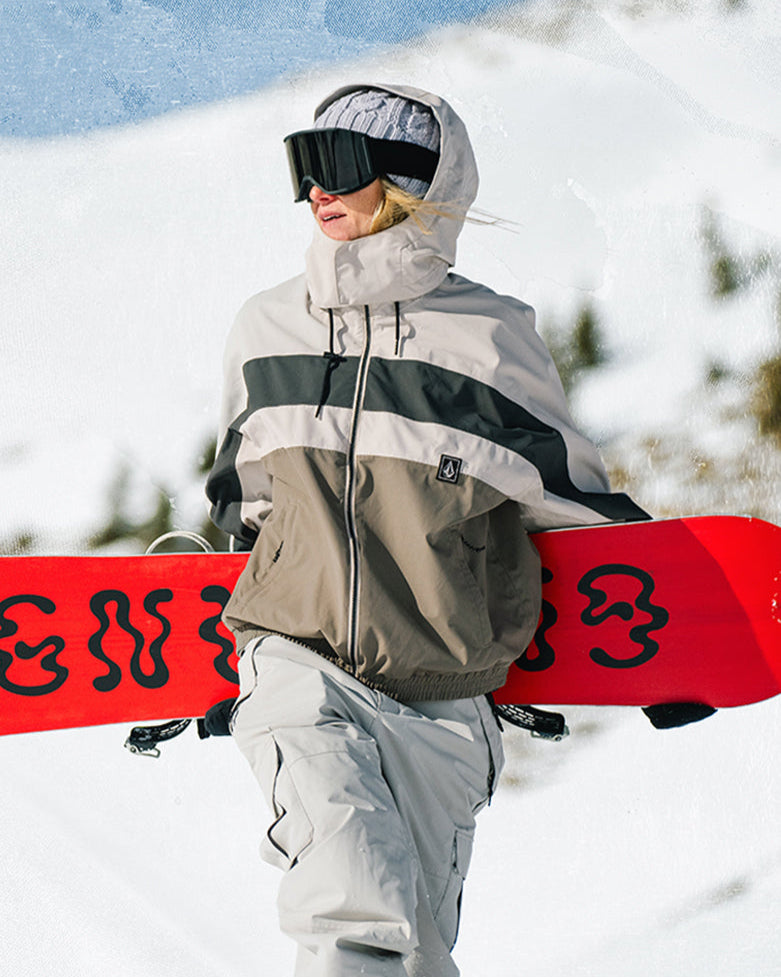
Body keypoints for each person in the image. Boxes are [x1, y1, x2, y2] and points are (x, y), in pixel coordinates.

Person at [205, 83, 647, 977]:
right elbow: (240, 506)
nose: (313, 191)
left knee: (418, 948)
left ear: (407, 182)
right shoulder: (265, 328)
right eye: (303, 168)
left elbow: (575, 508)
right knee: (350, 912)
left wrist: (666, 650)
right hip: (296, 660)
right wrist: (216, 666)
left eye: (334, 166)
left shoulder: (487, 339)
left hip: (444, 693)